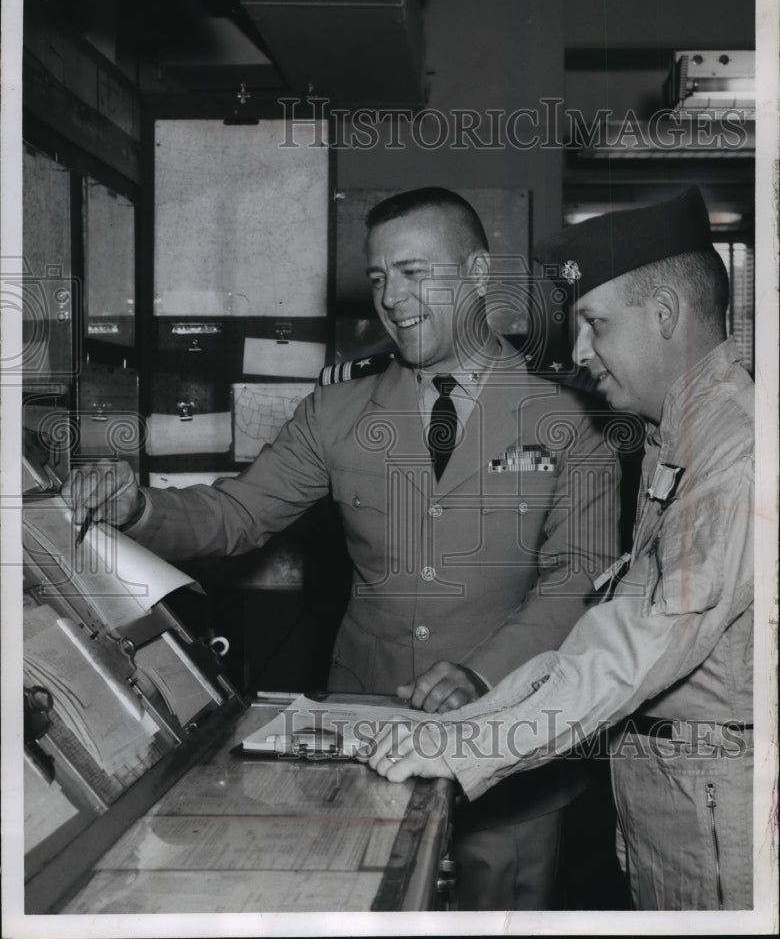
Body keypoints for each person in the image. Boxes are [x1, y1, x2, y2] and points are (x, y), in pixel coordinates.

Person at [65, 187, 619, 910]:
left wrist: (485, 676)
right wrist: (137, 505)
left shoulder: (569, 415)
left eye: (417, 273)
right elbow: (236, 513)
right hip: (366, 735)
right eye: (381, 278)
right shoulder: (338, 410)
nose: (393, 298)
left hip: (509, 741)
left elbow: (579, 575)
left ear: (480, 273)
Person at [364, 186, 754, 911]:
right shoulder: (685, 434)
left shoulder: (739, 454)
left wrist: (464, 749)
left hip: (716, 815)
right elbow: (608, 626)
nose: (578, 353)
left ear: (665, 313)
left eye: (595, 324)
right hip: (678, 800)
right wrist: (473, 725)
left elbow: (642, 641)